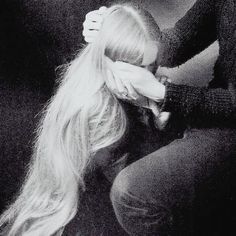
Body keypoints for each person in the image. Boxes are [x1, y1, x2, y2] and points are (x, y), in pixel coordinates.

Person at [0, 4, 167, 236]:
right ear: (113, 67)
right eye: (140, 70)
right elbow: (138, 186)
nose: (148, 79)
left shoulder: (93, 79)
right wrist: (153, 113)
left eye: (153, 69)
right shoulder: (104, 114)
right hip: (89, 209)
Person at [83, 0, 236, 235]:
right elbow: (174, 45)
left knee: (131, 192)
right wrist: (112, 34)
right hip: (214, 115)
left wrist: (164, 94)